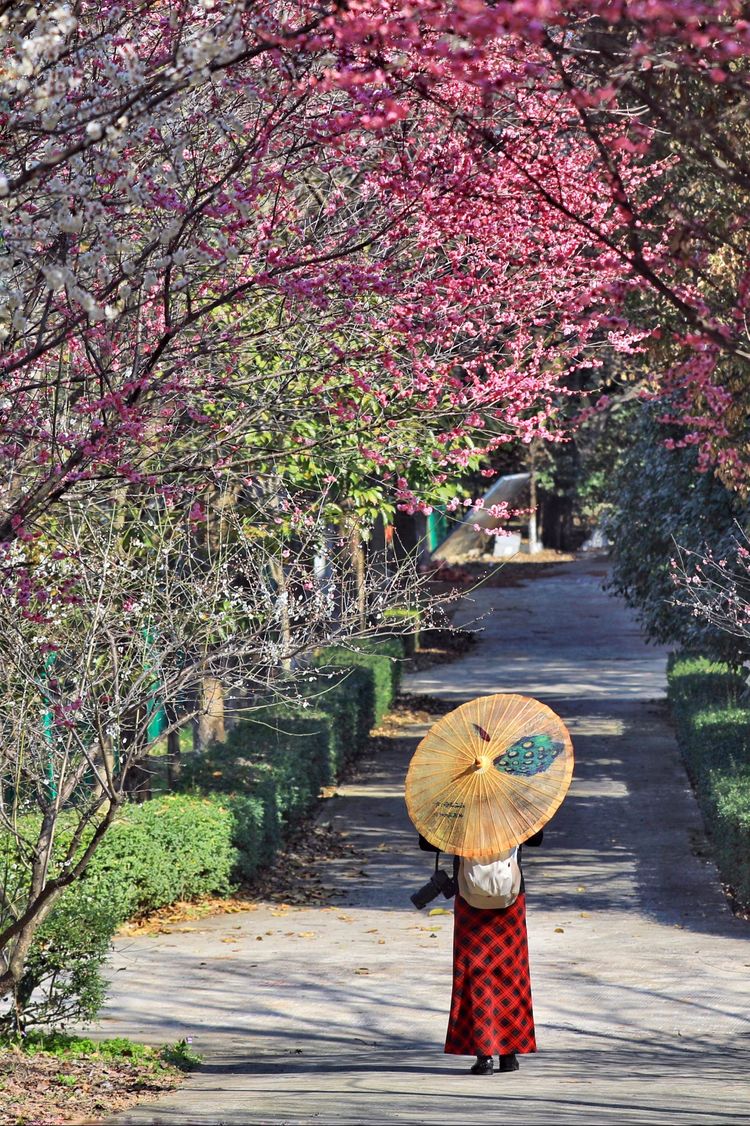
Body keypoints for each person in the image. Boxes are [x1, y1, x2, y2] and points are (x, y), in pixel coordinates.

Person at [418, 829, 543, 1076]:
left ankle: (483, 1055)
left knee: (475, 972)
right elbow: (536, 839)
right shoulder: (513, 802)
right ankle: (510, 1053)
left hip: (469, 895)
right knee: (511, 971)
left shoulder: (460, 804)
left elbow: (427, 843)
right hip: (510, 897)